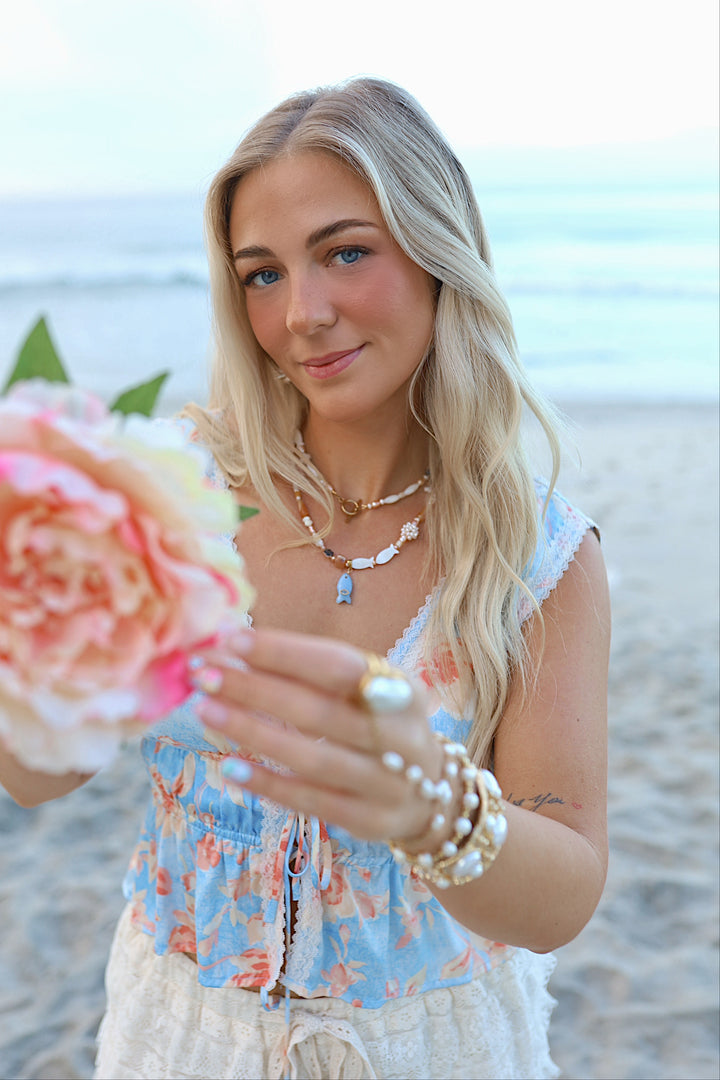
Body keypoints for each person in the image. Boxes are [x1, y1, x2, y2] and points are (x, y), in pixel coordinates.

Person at [1, 77, 610, 1079]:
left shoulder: (534, 555)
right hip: (178, 1042)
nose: (303, 314)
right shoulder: (177, 496)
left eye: (346, 253)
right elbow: (35, 777)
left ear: (436, 249)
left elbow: (564, 900)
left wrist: (432, 808)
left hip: (437, 1050)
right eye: (262, 274)